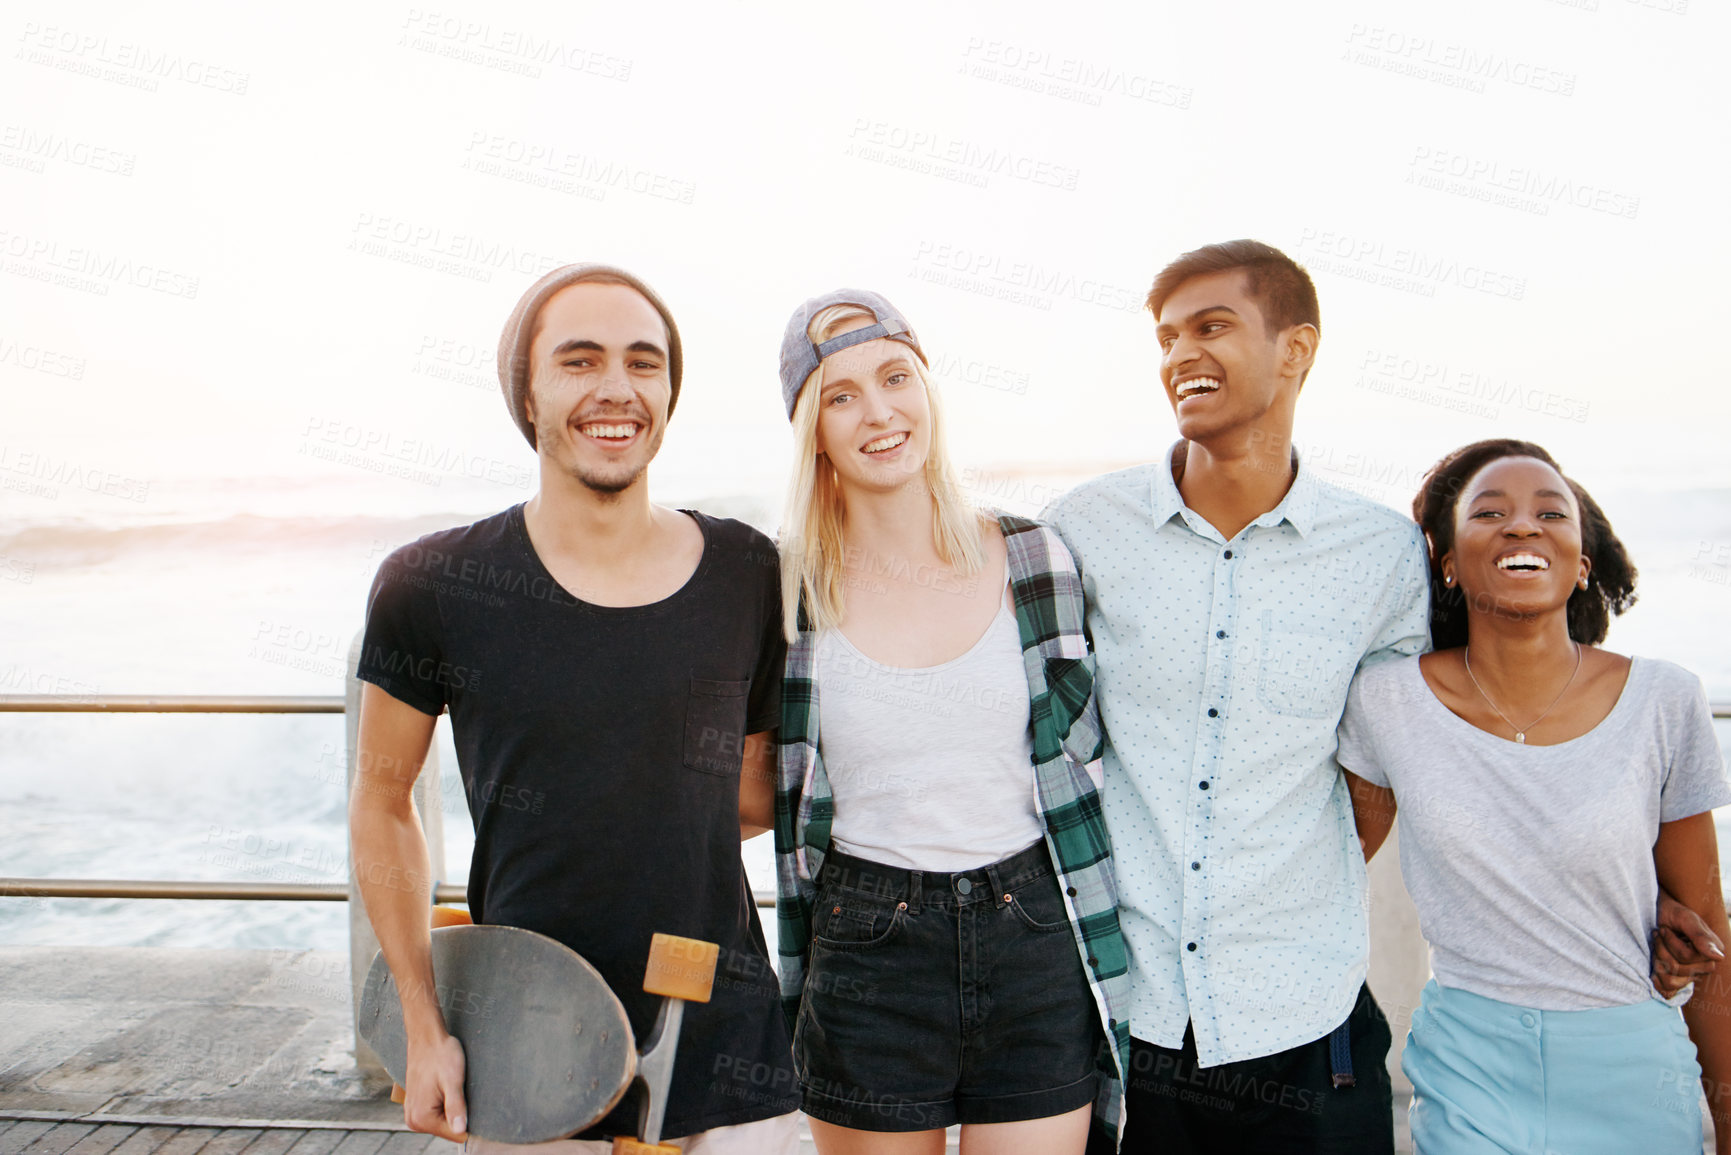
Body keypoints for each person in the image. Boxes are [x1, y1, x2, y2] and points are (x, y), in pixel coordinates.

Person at [348, 264, 800, 1154]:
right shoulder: (432, 584)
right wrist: (423, 1024)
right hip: (520, 1045)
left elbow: (749, 793)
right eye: (579, 360)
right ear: (526, 390)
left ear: (669, 390)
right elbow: (381, 801)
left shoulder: (747, 572)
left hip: (725, 1040)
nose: (616, 389)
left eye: (643, 362)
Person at [1045, 239, 1419, 1153]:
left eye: (1211, 327)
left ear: (1296, 349)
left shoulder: (1378, 553)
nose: (1179, 356)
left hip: (1307, 1026)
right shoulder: (1083, 529)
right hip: (1129, 1022)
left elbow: (1378, 775)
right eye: (1167, 337)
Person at [770, 289, 1132, 1154]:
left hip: (1035, 929)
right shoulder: (784, 591)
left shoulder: (1034, 557)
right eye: (841, 394)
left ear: (929, 389)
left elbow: (1090, 750)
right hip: (866, 948)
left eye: (896, 376)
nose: (879, 411)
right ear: (809, 428)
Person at [1338, 438, 1731, 1154]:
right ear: (1449, 565)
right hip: (1468, 1063)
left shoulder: (1664, 699)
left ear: (1581, 563)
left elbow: (1705, 932)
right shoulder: (1385, 702)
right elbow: (1329, 863)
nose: (1522, 526)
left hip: (1631, 1065)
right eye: (1489, 512)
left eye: (1551, 512)